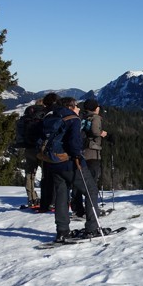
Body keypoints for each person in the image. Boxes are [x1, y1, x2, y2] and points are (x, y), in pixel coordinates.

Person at [43, 97, 107, 242]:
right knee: (91, 190)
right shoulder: (73, 118)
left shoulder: (51, 116)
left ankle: (62, 231)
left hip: (53, 162)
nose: (79, 109)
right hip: (70, 162)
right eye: (76, 106)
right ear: (70, 107)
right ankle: (92, 228)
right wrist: (78, 155)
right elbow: (74, 142)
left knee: (61, 195)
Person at [71, 98, 109, 217]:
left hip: (81, 152)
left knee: (79, 181)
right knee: (91, 183)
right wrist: (102, 133)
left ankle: (77, 208)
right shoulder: (96, 118)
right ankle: (91, 210)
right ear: (96, 108)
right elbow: (95, 131)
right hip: (93, 152)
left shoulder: (81, 117)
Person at [17, 95, 54, 208]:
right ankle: (47, 198)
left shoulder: (26, 117)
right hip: (42, 148)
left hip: (29, 148)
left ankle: (32, 198)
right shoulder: (45, 115)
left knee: (30, 174)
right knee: (46, 174)